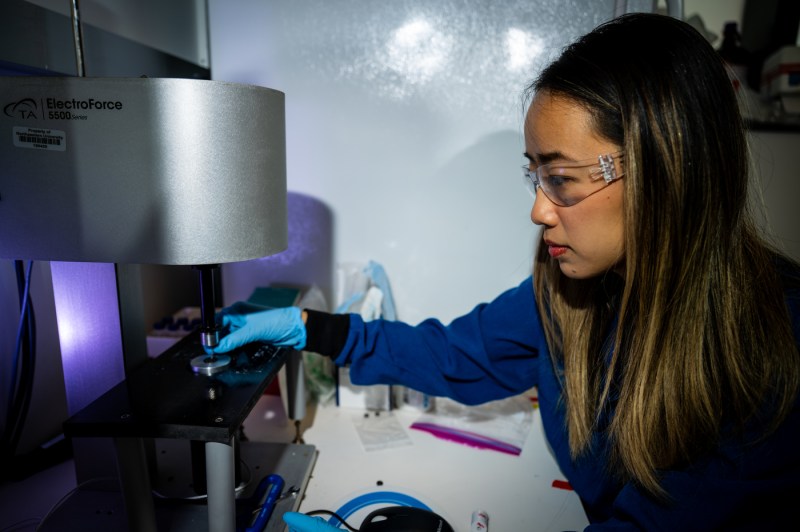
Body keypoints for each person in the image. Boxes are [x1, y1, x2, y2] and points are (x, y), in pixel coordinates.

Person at [211, 13, 800, 531]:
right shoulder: (571, 292)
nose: (539, 209)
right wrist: (310, 328)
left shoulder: (772, 351)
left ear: (663, 170)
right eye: (536, 176)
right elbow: (453, 354)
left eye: (561, 179)